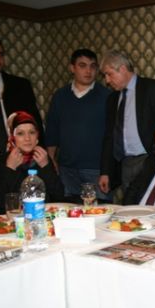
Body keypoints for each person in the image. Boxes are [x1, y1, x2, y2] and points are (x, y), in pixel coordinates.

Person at [98, 50, 155, 195]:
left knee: (150, 204)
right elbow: (110, 136)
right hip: (125, 164)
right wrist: (105, 171)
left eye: (109, 74)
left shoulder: (152, 88)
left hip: (151, 160)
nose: (107, 80)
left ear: (122, 69)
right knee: (129, 205)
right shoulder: (112, 99)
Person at [45, 49, 111, 202]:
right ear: (72, 68)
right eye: (82, 65)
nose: (88, 71)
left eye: (92, 66)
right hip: (66, 168)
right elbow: (52, 130)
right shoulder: (60, 96)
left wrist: (107, 170)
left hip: (96, 169)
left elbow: (113, 135)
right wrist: (51, 159)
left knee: (98, 210)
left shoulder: (107, 96)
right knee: (68, 209)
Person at [0, 111, 64, 213]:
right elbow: (0, 202)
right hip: (12, 218)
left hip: (42, 215)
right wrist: (10, 169)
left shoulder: (42, 157)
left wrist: (46, 167)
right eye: (20, 133)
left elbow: (59, 196)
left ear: (37, 137)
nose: (27, 138)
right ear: (12, 137)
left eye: (32, 132)